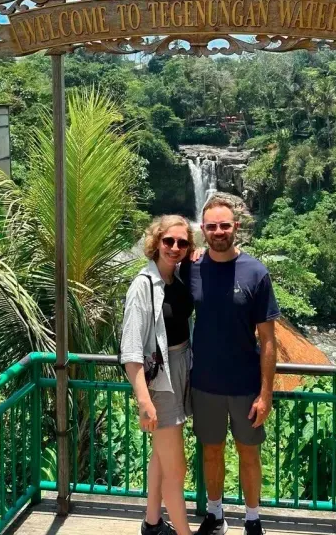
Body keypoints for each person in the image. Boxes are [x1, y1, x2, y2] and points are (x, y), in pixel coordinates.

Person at [183, 195, 280, 535]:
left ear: (236, 227)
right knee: (211, 452)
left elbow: (269, 340)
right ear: (203, 230)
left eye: (225, 225)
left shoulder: (256, 273)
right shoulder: (191, 268)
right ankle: (215, 516)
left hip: (244, 385)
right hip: (205, 382)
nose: (219, 231)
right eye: (212, 226)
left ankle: (253, 520)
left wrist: (266, 394)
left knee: (249, 454)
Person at [121, 216, 195, 535]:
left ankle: (152, 523)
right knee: (177, 469)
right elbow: (131, 350)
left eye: (182, 243)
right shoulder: (142, 286)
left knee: (162, 458)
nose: (174, 247)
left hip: (181, 368)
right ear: (156, 242)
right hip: (160, 381)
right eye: (168, 241)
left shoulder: (176, 279)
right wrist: (144, 400)